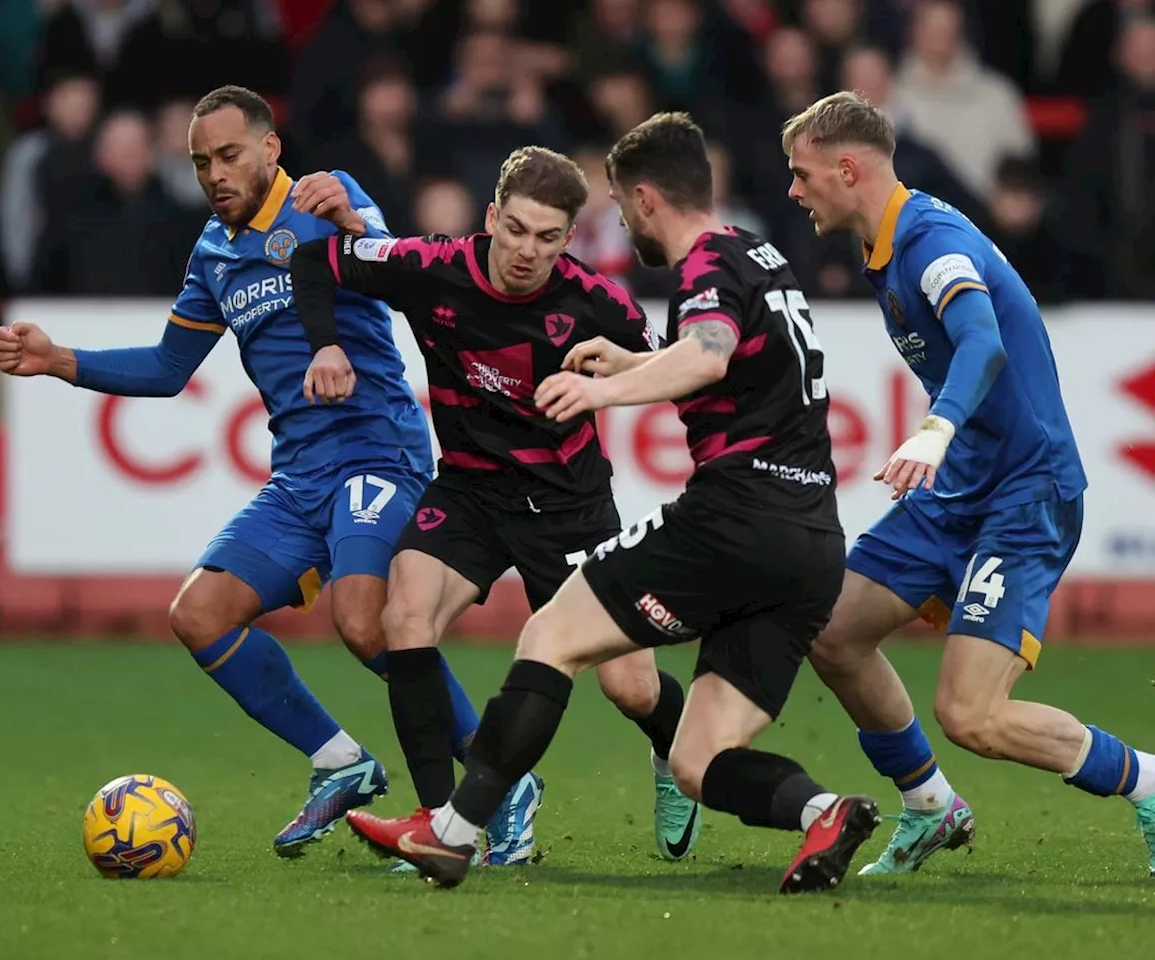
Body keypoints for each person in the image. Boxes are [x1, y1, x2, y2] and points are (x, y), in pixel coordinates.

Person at [344, 113, 880, 894]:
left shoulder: (704, 266)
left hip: (733, 520)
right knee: (700, 760)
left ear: (647, 197)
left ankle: (452, 834)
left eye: (622, 210)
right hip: (811, 545)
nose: (621, 225)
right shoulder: (760, 255)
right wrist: (636, 359)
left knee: (551, 635)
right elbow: (733, 363)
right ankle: (825, 812)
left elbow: (707, 356)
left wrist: (603, 388)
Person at [0, 84, 520, 860]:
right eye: (202, 161)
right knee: (198, 615)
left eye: (230, 155)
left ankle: (497, 783)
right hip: (300, 473)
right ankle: (340, 761)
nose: (214, 173)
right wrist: (60, 360)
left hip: (377, 449)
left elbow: (384, 255)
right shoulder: (214, 251)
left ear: (271, 149)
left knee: (362, 620)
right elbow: (171, 366)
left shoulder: (325, 198)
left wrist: (347, 215)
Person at [289, 145, 701, 867]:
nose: (526, 251)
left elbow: (678, 370)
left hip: (570, 508)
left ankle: (674, 753)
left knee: (628, 684)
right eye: (514, 229)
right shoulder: (432, 266)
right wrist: (325, 346)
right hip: (471, 492)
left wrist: (621, 377)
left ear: (569, 239)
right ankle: (433, 817)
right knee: (404, 618)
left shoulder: (597, 302)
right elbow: (316, 263)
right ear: (490, 219)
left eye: (547, 237)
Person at [782, 90, 1155, 878]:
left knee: (970, 715)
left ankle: (1150, 782)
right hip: (959, 493)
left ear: (847, 169)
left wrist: (935, 428)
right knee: (832, 631)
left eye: (802, 173)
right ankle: (928, 807)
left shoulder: (934, 242)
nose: (793, 189)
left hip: (1026, 496)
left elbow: (981, 343)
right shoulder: (885, 242)